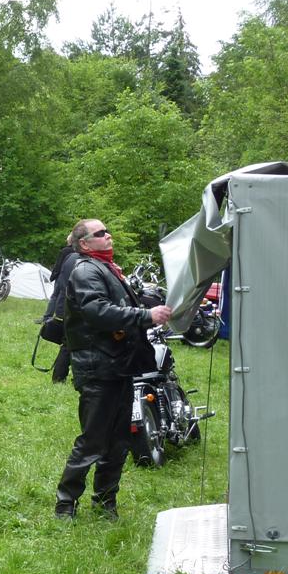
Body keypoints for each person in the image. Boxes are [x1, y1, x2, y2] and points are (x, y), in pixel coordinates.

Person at [54, 219, 171, 521]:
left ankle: (105, 503)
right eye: (101, 233)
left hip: (118, 366)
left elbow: (118, 305)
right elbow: (97, 311)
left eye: (107, 231)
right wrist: (145, 315)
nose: (109, 236)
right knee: (94, 440)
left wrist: (152, 308)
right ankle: (65, 505)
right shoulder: (85, 270)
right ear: (84, 243)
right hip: (97, 368)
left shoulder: (107, 268)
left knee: (119, 441)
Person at [45, 232, 77, 383]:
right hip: (73, 308)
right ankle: (60, 377)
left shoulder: (72, 257)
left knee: (70, 343)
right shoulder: (73, 257)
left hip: (67, 306)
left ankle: (61, 376)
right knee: (70, 343)